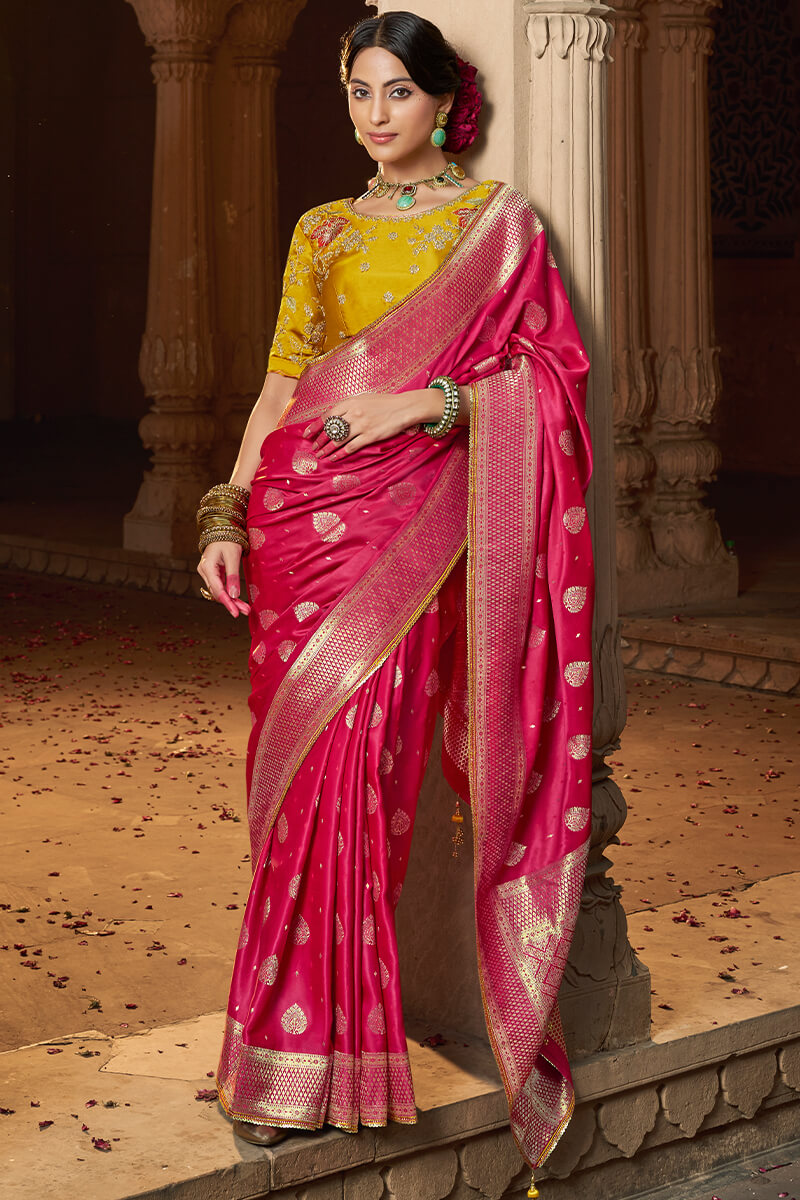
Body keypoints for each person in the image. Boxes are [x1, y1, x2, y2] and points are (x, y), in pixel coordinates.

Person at [195, 11, 593, 1193]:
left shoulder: (497, 226)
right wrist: (223, 516)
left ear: (442, 101)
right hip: (296, 533)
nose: (375, 115)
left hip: (411, 536)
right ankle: (277, 1057)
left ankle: (334, 1057)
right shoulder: (320, 230)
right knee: (293, 799)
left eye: (397, 93)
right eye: (358, 92)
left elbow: (549, 382)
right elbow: (280, 386)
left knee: (363, 787)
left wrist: (423, 404)